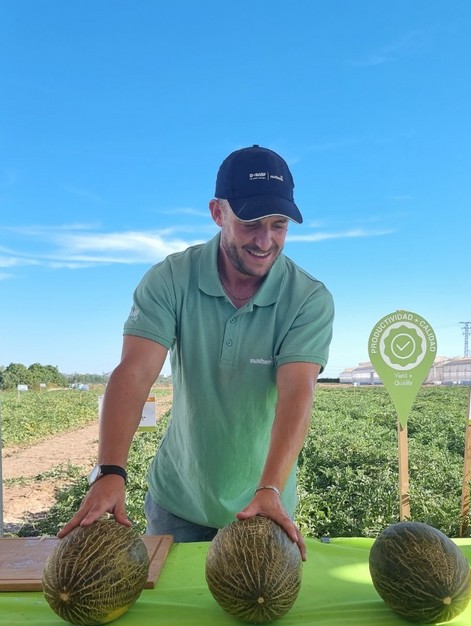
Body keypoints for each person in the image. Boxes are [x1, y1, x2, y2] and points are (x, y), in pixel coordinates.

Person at [58, 145, 334, 560]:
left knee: (256, 605)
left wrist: (270, 488)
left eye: (278, 226)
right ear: (217, 213)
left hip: (263, 502)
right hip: (178, 501)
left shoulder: (307, 298)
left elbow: (297, 391)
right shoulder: (171, 278)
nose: (265, 241)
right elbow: (134, 372)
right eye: (250, 223)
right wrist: (110, 472)